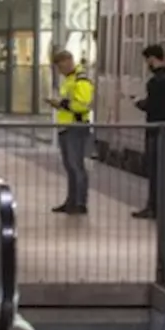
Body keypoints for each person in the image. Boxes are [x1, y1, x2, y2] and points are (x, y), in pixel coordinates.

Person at [132, 43, 165, 220]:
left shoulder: (154, 82)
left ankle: (153, 207)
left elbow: (152, 105)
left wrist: (139, 103)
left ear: (152, 59)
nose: (147, 65)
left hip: (155, 130)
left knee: (154, 170)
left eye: (147, 61)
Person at [47, 50, 94, 215]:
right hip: (66, 127)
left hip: (76, 126)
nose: (59, 71)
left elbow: (83, 105)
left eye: (60, 66)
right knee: (70, 166)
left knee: (77, 166)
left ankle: (80, 203)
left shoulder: (81, 80)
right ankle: (71, 201)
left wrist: (62, 104)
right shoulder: (69, 79)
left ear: (68, 61)